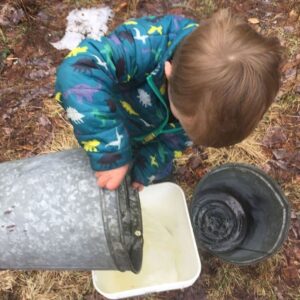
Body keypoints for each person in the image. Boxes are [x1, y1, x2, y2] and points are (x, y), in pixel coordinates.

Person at [55, 9, 282, 191]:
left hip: (150, 135)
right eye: (183, 122)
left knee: (154, 168)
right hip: (110, 125)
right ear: (169, 72)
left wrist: (144, 171)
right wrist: (109, 150)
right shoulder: (144, 46)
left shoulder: (209, 97)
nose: (185, 131)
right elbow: (75, 71)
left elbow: (173, 142)